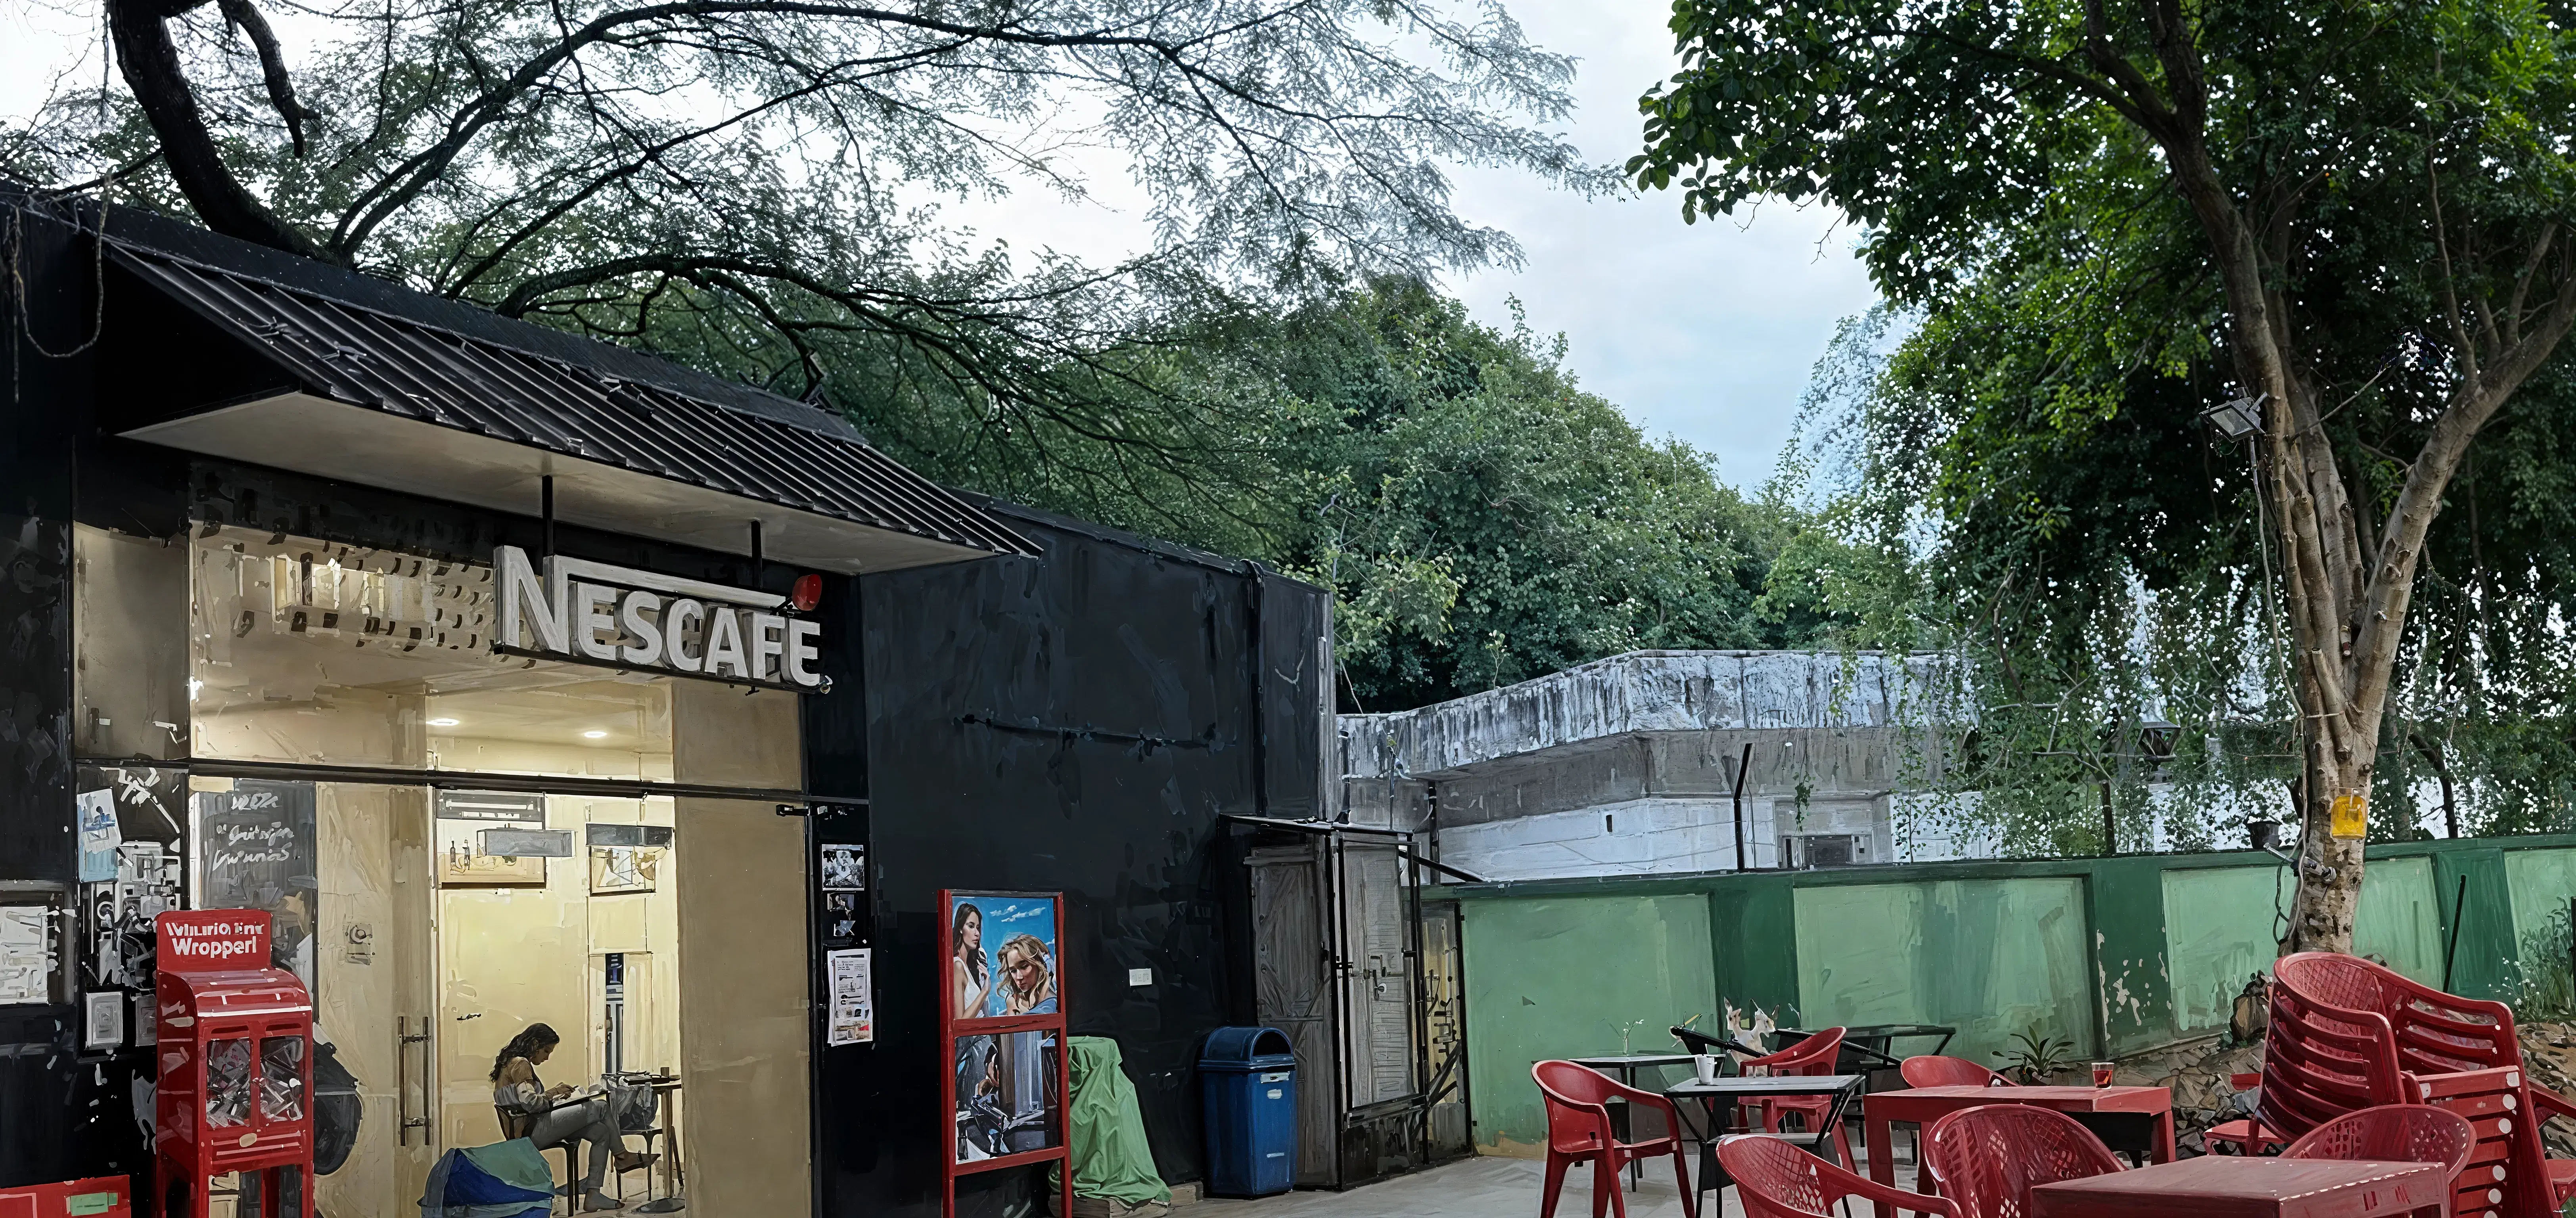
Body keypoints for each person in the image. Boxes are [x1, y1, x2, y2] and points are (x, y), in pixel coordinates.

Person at [491, 1023, 652, 1211]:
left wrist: (556, 1097)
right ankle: (622, 1156)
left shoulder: (510, 1062)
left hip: (529, 1128)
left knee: (600, 1132)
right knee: (601, 1106)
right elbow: (531, 1103)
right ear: (535, 1044)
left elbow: (526, 1104)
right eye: (546, 1051)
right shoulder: (521, 1063)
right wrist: (553, 1093)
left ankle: (593, 1195)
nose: (547, 1057)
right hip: (531, 1132)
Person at [996, 934, 1056, 1015]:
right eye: (1013, 971)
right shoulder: (1014, 1001)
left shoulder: (1050, 1006)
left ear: (1040, 964)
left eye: (1024, 967)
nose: (1019, 977)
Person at [951, 903, 991, 1017]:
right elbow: (961, 1022)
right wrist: (985, 991)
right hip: (975, 1036)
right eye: (971, 926)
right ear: (960, 929)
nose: (977, 933)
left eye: (978, 928)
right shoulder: (958, 966)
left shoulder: (971, 966)